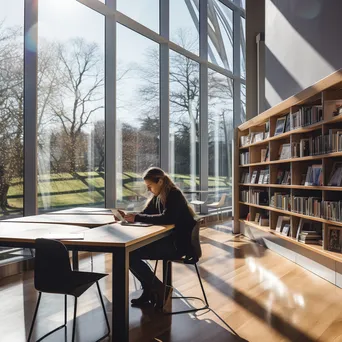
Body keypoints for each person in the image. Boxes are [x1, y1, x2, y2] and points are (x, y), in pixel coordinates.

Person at [124, 167, 197, 308]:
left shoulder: (174, 195)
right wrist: (129, 216)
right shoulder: (158, 196)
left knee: (129, 254)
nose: (149, 190)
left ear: (160, 181)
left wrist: (137, 217)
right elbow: (146, 214)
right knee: (129, 254)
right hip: (170, 241)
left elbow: (168, 218)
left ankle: (158, 288)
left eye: (150, 186)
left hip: (178, 245)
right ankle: (152, 289)